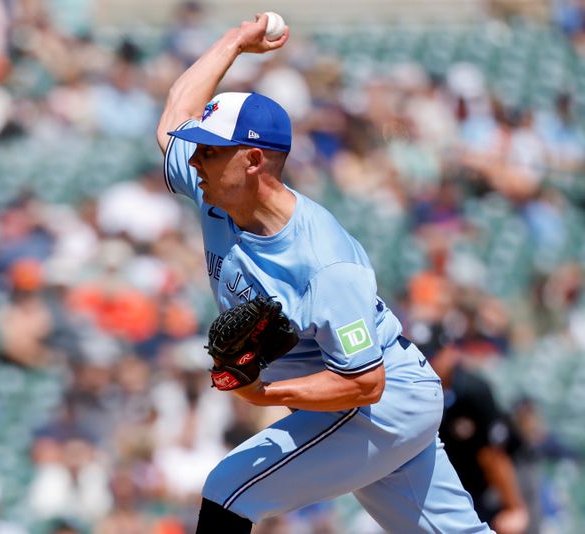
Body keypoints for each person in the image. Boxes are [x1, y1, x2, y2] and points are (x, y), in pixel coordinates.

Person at [156, 14, 492, 533]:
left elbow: (365, 382)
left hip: (381, 400)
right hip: (371, 398)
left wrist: (260, 395)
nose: (195, 159)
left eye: (210, 150)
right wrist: (234, 43)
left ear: (252, 161)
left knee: (228, 492)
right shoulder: (213, 191)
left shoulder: (323, 261)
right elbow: (174, 115)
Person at [420, 329, 530, 534]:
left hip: (507, 472)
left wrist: (514, 507)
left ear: (449, 353)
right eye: (423, 356)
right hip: (466, 477)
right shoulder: (418, 392)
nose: (428, 363)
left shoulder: (472, 390)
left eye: (432, 356)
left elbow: (493, 455)